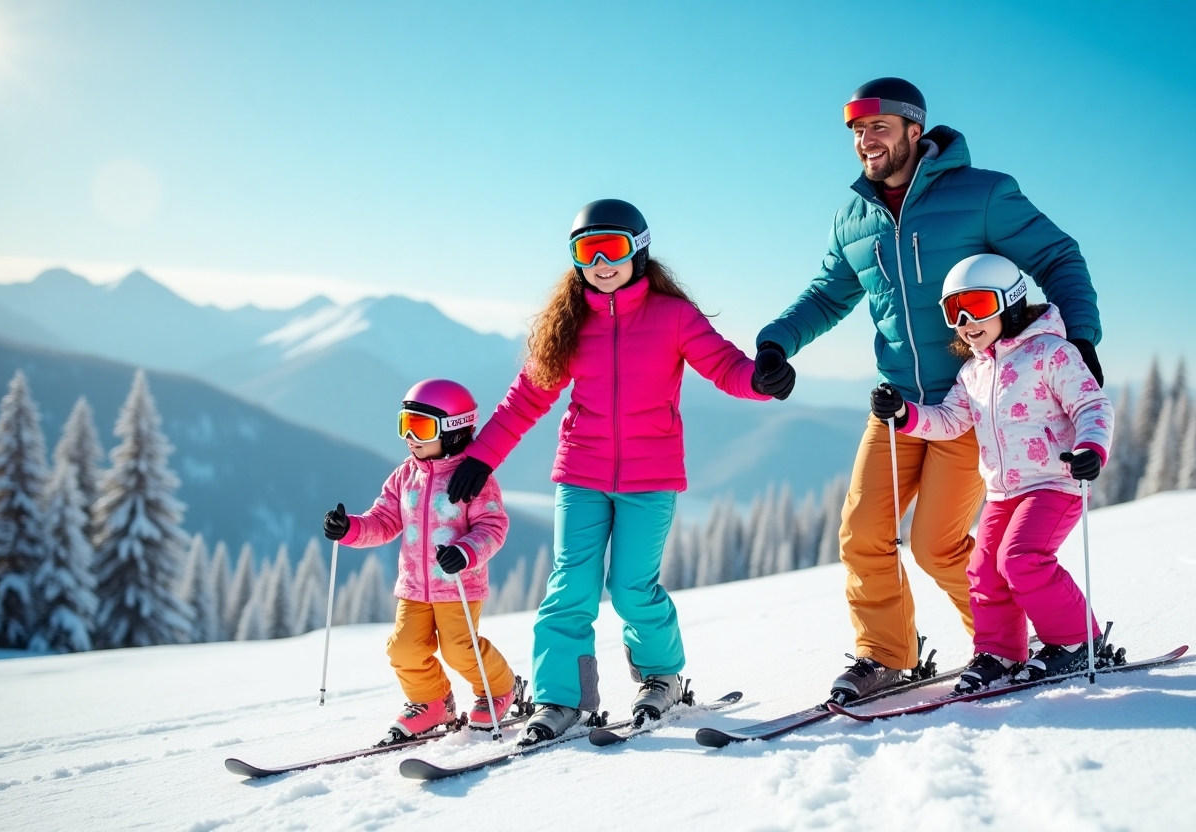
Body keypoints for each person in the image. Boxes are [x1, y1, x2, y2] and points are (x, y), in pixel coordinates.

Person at [749, 77, 1104, 702]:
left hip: (979, 402)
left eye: (879, 128)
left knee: (940, 545)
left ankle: (1010, 646)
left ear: (916, 130)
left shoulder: (983, 194)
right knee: (861, 534)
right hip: (898, 407)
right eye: (857, 132)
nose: (866, 141)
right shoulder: (854, 217)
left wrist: (1081, 338)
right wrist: (777, 341)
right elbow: (830, 294)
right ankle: (886, 655)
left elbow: (1058, 255)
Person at [445, 199, 775, 743]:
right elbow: (525, 400)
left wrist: (758, 382)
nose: (599, 262)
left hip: (651, 477)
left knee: (631, 588)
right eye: (586, 250)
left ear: (638, 251)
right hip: (581, 474)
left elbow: (725, 366)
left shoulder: (674, 317)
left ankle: (660, 677)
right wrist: (482, 456)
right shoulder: (569, 326)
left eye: (612, 248)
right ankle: (560, 699)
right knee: (568, 586)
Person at [872, 253, 1113, 691]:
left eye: (977, 306)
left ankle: (1078, 642)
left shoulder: (1051, 354)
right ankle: (999, 652)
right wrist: (904, 415)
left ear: (1012, 302)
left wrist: (1090, 449)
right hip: (1003, 492)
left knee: (1022, 560)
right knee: (983, 572)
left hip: (1055, 483)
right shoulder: (973, 372)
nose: (965, 321)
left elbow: (1093, 405)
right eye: (954, 311)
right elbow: (950, 421)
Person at [322, 379, 520, 745]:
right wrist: (349, 529)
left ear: (455, 430)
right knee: (403, 648)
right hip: (414, 587)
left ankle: (501, 689)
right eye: (405, 424)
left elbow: (493, 526)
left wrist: (465, 552)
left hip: (459, 583)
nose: (410, 436)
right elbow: (383, 521)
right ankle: (430, 702)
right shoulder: (404, 477)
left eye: (421, 427)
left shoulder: (474, 478)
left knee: (461, 649)